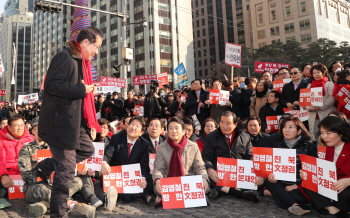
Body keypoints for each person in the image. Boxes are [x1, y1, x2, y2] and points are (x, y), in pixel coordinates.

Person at [36, 27, 102, 217]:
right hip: (60, 126)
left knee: (88, 149)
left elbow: (75, 91)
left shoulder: (82, 63)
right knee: (65, 175)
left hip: (74, 125)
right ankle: (59, 214)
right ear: (86, 43)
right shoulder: (65, 57)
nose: (97, 52)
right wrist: (81, 89)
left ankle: (45, 166)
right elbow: (51, 85)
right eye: (96, 47)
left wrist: (87, 91)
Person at [17, 118, 95, 217]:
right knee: (48, 190)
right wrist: (43, 174)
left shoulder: (55, 147)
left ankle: (45, 204)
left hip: (55, 183)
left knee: (78, 181)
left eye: (45, 128)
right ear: (32, 131)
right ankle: (73, 205)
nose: (42, 131)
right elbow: (26, 176)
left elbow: (66, 164)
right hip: (35, 186)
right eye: (38, 128)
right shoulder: (26, 149)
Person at [202, 111, 264, 201]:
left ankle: (222, 190)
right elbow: (206, 156)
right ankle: (240, 193)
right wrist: (210, 169)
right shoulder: (211, 137)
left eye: (228, 123)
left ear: (235, 124)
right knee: (207, 175)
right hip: (219, 173)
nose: (224, 126)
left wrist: (258, 173)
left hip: (239, 173)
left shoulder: (245, 137)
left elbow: (251, 157)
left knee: (261, 181)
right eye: (222, 122)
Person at [263, 116, 317, 216]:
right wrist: (272, 175)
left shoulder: (309, 146)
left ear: (299, 131)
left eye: (291, 127)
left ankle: (280, 196)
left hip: (299, 185)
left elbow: (314, 171)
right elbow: (268, 165)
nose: (286, 130)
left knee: (297, 195)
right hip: (280, 182)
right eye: (284, 127)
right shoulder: (276, 144)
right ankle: (294, 205)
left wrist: (296, 185)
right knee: (268, 180)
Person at [152, 117, 210, 207]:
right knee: (156, 188)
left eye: (176, 128)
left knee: (205, 187)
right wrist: (158, 180)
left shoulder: (193, 146)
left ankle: (166, 199)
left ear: (183, 131)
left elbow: (200, 167)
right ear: (167, 131)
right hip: (170, 183)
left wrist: (204, 178)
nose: (173, 131)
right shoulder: (162, 147)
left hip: (188, 182)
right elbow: (158, 169)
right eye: (170, 128)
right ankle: (197, 198)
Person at [301, 116, 350, 217]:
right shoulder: (330, 148)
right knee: (307, 180)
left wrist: (348, 181)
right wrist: (309, 173)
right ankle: (332, 208)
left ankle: (325, 206)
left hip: (346, 186)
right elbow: (328, 171)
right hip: (334, 184)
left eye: (328, 133)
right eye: (322, 133)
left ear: (341, 133)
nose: (324, 137)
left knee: (343, 196)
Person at [99, 116, 153, 209]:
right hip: (117, 175)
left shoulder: (144, 144)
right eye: (132, 124)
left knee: (149, 180)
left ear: (141, 132)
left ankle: (121, 195)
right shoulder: (116, 138)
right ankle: (114, 196)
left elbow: (144, 164)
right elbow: (107, 154)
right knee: (102, 182)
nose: (133, 127)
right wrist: (104, 162)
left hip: (132, 177)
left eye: (137, 126)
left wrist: (143, 178)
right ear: (127, 126)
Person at [0, 114, 35, 198]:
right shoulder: (1, 141)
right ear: (9, 127)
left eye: (21, 125)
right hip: (8, 179)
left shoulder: (32, 140)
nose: (19, 128)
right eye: (16, 125)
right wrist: (3, 175)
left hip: (28, 178)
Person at [307, 64, 335, 141]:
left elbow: (331, 98)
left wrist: (320, 106)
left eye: (318, 72)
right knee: (316, 136)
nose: (316, 74)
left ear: (323, 73)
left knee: (327, 136)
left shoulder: (329, 84)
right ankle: (318, 152)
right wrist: (309, 108)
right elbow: (306, 99)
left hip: (326, 114)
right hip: (313, 115)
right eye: (314, 73)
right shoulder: (309, 85)